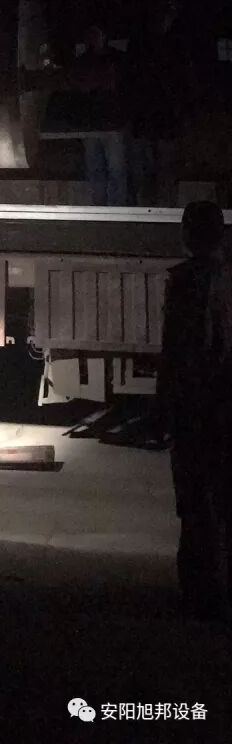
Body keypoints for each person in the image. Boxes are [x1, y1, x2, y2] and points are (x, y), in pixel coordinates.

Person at [157, 200, 232, 622]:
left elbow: (178, 351)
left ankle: (200, 593)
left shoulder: (185, 282)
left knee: (194, 503)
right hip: (223, 406)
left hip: (197, 408)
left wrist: (164, 406)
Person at [125, 0, 194, 207]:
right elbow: (131, 79)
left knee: (163, 168)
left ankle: (163, 209)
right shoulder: (145, 44)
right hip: (150, 116)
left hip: (164, 117)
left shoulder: (176, 44)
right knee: (148, 169)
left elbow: (185, 82)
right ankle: (150, 208)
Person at [73, 21, 128, 206]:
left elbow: (119, 87)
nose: (95, 38)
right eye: (92, 34)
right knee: (96, 170)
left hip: (112, 124)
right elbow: (80, 89)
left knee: (116, 171)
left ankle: (117, 211)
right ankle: (99, 209)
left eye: (98, 33)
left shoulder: (115, 59)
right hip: (92, 124)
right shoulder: (84, 61)